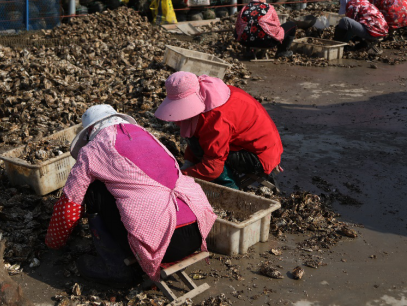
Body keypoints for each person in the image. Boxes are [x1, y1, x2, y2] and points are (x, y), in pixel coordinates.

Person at [45, 105, 217, 285]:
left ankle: (115, 268)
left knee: (94, 191)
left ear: (89, 131)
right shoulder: (146, 135)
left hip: (165, 244)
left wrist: (54, 241)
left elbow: (70, 204)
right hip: (198, 231)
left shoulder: (92, 150)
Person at [154, 72, 283, 191]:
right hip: (250, 143)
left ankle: (232, 190)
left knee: (203, 148)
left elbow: (213, 168)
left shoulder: (215, 118)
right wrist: (189, 162)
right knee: (198, 141)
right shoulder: (209, 93)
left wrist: (182, 176)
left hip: (259, 155)